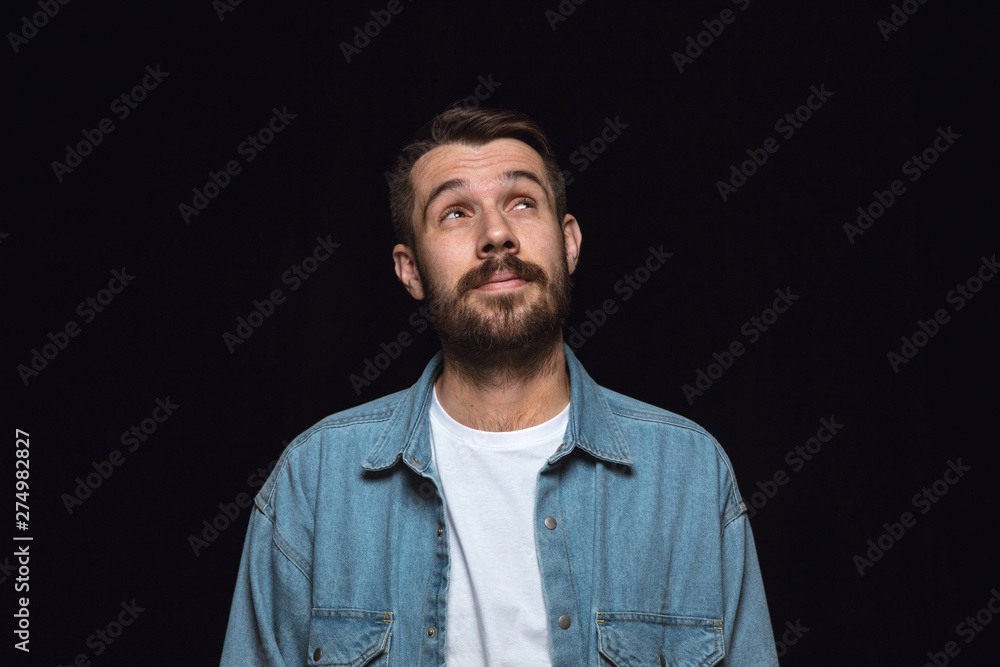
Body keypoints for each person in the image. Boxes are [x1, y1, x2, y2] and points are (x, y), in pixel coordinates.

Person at [221, 106, 779, 666]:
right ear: (409, 269)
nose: (496, 235)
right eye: (457, 212)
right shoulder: (315, 480)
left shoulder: (687, 474)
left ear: (569, 243)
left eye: (520, 202)